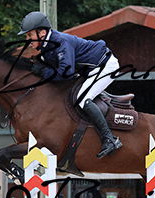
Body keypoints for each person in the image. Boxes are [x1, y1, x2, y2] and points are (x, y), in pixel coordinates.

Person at [18, 11, 122, 159]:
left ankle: (110, 139)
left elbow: (65, 74)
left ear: (42, 33)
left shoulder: (60, 42)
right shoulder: (46, 46)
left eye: (29, 35)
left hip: (105, 66)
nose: (27, 40)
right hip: (89, 70)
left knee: (83, 99)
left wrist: (42, 71)